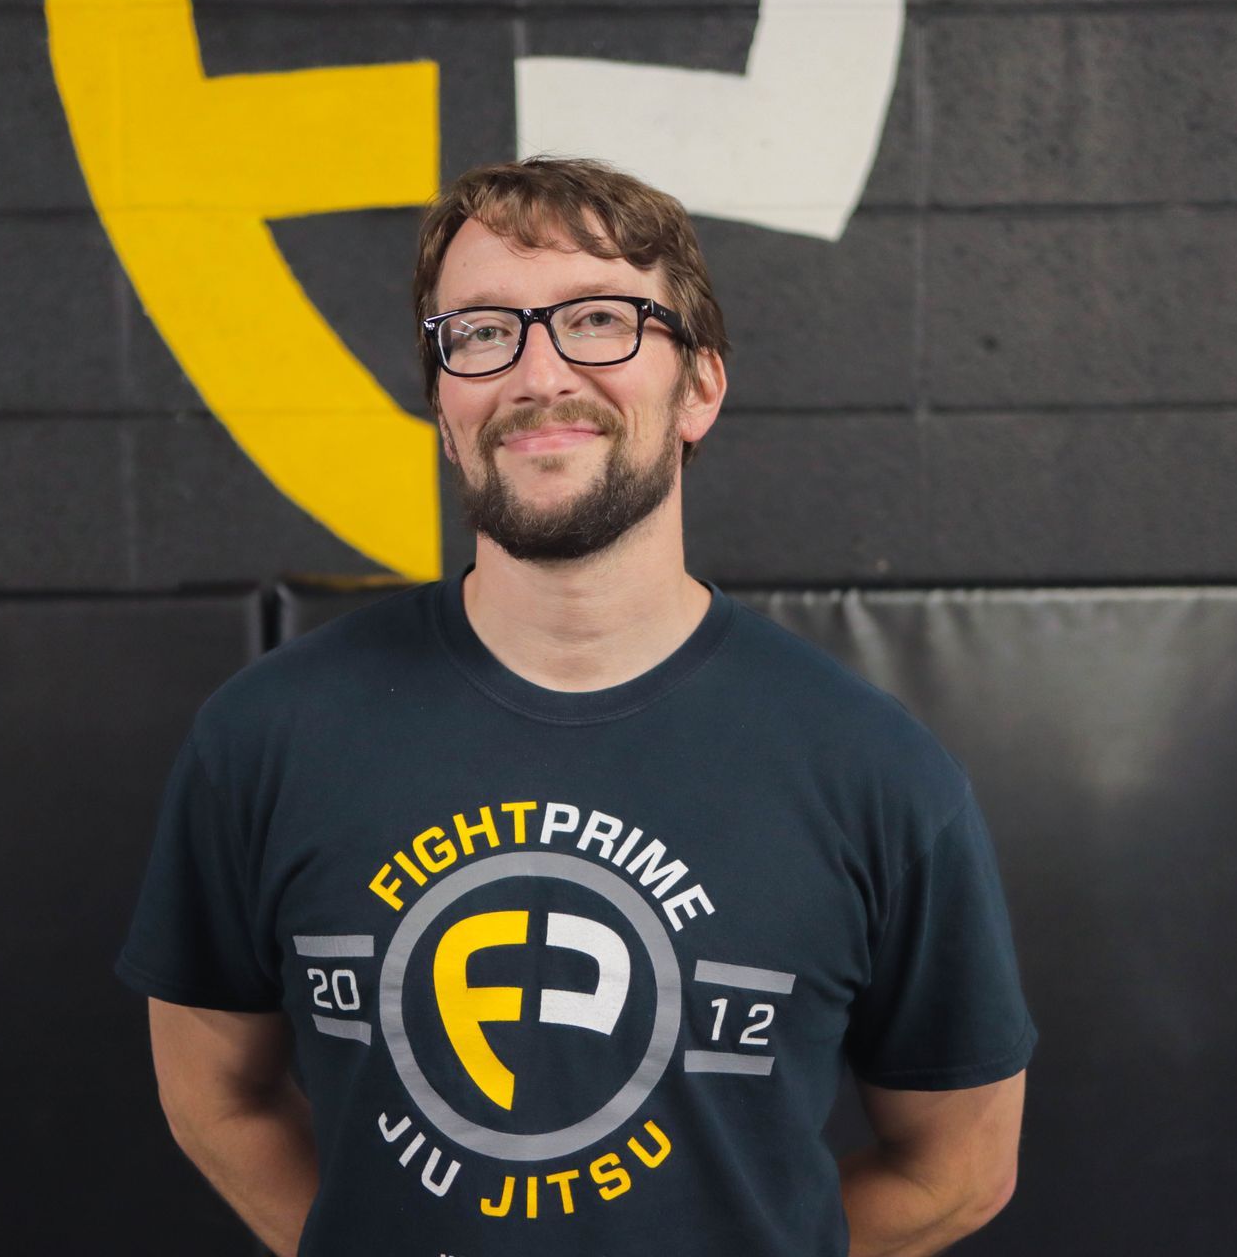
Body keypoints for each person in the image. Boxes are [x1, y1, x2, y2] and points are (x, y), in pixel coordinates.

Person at [114, 156, 1037, 1257]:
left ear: (698, 385)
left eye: (599, 320)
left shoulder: (875, 772)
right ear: (444, 397)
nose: (540, 371)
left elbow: (962, 1166)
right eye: (484, 331)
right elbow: (213, 1096)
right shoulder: (265, 737)